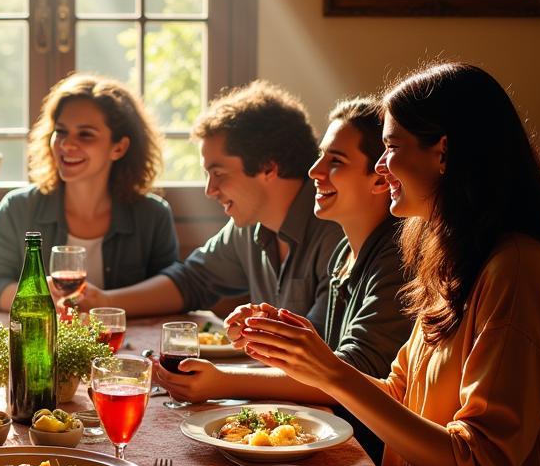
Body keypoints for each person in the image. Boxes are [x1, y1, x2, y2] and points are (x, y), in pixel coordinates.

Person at [238, 63, 540, 466]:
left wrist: (334, 375)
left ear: (443, 153)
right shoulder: (451, 259)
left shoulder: (517, 269)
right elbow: (399, 395)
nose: (381, 168)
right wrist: (310, 366)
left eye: (390, 149)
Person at [154, 97, 411, 465]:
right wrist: (269, 328)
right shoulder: (346, 254)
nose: (315, 171)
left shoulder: (394, 258)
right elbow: (320, 353)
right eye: (321, 156)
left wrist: (224, 380)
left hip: (375, 457)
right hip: (336, 436)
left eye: (335, 162)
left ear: (381, 176)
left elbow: (353, 372)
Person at [79, 80, 344, 319]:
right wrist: (104, 301)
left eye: (218, 173)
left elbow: (320, 357)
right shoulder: (250, 225)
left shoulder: (336, 232)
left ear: (268, 168)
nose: (210, 190)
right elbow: (193, 280)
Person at [0, 73, 179, 310]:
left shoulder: (153, 215)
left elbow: (173, 288)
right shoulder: (18, 207)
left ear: (119, 147)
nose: (66, 145)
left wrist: (107, 303)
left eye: (85, 134)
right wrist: (36, 297)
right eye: (61, 131)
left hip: (127, 347)